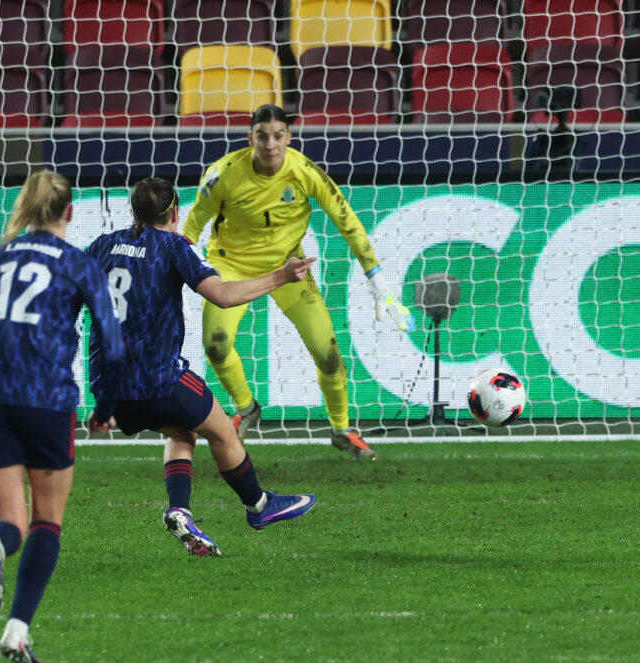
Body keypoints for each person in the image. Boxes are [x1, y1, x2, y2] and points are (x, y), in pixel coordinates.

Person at [0, 171, 123, 663]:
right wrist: (104, 409)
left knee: (8, 520)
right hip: (45, 397)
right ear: (69, 213)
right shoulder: (79, 264)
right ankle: (15, 631)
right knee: (46, 521)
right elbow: (114, 346)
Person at [85, 177, 317, 557]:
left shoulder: (103, 245)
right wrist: (280, 276)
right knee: (224, 431)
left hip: (109, 389)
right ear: (176, 212)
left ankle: (180, 510)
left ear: (135, 212)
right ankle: (259, 506)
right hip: (159, 379)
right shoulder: (175, 246)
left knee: (182, 433)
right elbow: (222, 296)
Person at [181, 104, 413, 461]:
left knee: (329, 355)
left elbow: (347, 221)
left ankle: (341, 428)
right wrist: (189, 274)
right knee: (215, 346)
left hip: (290, 270)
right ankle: (246, 406)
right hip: (230, 268)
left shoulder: (306, 173)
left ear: (288, 137)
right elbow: (191, 230)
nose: (270, 145)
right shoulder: (222, 175)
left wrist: (378, 282)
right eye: (262, 137)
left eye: (277, 136)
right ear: (250, 139)